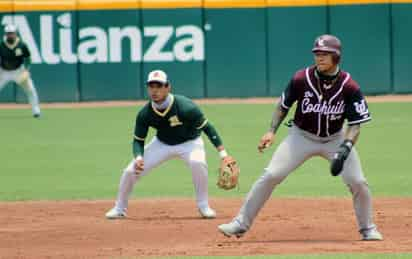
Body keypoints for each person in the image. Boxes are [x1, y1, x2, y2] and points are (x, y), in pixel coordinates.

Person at [218, 34, 383, 241]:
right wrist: (271, 131)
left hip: (335, 138)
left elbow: (355, 124)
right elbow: (283, 106)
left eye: (325, 54)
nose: (319, 58)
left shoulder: (349, 86)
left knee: (358, 181)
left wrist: (346, 147)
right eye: (317, 54)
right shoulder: (301, 78)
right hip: (301, 137)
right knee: (271, 175)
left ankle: (368, 229)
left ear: (336, 57)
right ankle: (240, 224)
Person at [106, 70, 233, 219]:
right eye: (151, 86)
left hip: (190, 143)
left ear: (168, 87)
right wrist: (139, 157)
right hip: (162, 144)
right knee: (129, 171)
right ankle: (119, 208)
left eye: (159, 86)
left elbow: (207, 127)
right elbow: (138, 140)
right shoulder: (145, 113)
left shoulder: (185, 106)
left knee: (197, 162)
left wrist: (223, 154)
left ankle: (203, 205)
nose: (155, 90)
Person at [0, 24, 40, 117]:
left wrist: (26, 70)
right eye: (8, 33)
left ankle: (36, 110)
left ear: (16, 33)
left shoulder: (22, 45)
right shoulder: (1, 45)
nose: (10, 35)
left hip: (18, 71)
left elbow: (27, 58)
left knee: (31, 90)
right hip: (4, 72)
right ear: (6, 34)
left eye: (12, 33)